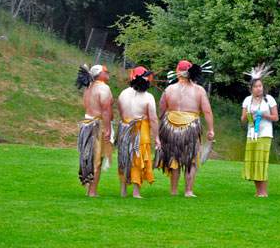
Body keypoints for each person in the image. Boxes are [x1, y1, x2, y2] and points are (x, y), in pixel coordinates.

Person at [155, 60, 214, 197]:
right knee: (190, 159)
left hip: (171, 126)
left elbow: (161, 109)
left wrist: (162, 123)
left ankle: (174, 190)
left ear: (177, 71)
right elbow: (207, 111)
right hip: (190, 126)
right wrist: (211, 129)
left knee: (174, 157)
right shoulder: (199, 90)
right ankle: (188, 191)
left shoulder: (169, 89)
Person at [116, 66, 161, 198]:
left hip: (124, 127)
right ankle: (136, 193)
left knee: (125, 158)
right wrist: (157, 137)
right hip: (140, 130)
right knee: (137, 159)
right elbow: (153, 118)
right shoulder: (148, 97)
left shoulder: (123, 93)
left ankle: (123, 192)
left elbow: (120, 111)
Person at [75, 64, 114, 197]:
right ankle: (92, 191)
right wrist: (108, 129)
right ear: (99, 74)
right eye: (105, 71)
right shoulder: (104, 88)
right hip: (97, 126)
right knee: (96, 159)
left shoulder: (88, 88)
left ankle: (89, 190)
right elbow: (105, 109)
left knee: (90, 158)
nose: (108, 72)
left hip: (86, 125)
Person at [241, 64, 278, 197]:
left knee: (261, 161)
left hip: (265, 134)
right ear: (251, 88)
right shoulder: (247, 100)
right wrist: (249, 114)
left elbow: (275, 117)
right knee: (253, 162)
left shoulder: (269, 100)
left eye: (260, 86)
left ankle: (264, 192)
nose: (259, 89)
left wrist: (263, 115)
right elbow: (243, 119)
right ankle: (258, 191)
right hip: (251, 134)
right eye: (256, 86)